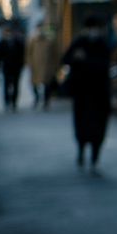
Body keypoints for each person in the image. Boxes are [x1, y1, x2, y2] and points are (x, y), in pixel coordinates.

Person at [62, 16, 111, 173]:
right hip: (82, 94)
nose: (93, 31)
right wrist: (76, 59)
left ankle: (95, 159)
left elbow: (104, 65)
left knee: (98, 129)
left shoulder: (102, 44)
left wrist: (85, 60)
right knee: (81, 127)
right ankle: (81, 152)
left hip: (99, 95)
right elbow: (66, 59)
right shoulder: (79, 42)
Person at [26, 23, 58, 110]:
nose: (40, 31)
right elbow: (28, 53)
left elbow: (55, 54)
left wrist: (55, 66)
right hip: (36, 66)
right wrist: (29, 64)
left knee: (47, 85)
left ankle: (46, 101)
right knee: (33, 84)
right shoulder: (33, 40)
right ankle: (37, 98)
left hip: (47, 67)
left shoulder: (50, 40)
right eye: (39, 29)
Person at [0, 24, 26, 112]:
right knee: (6, 85)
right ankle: (7, 102)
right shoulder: (2, 42)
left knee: (16, 85)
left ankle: (14, 102)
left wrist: (21, 65)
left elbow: (22, 54)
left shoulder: (18, 42)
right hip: (7, 67)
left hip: (16, 67)